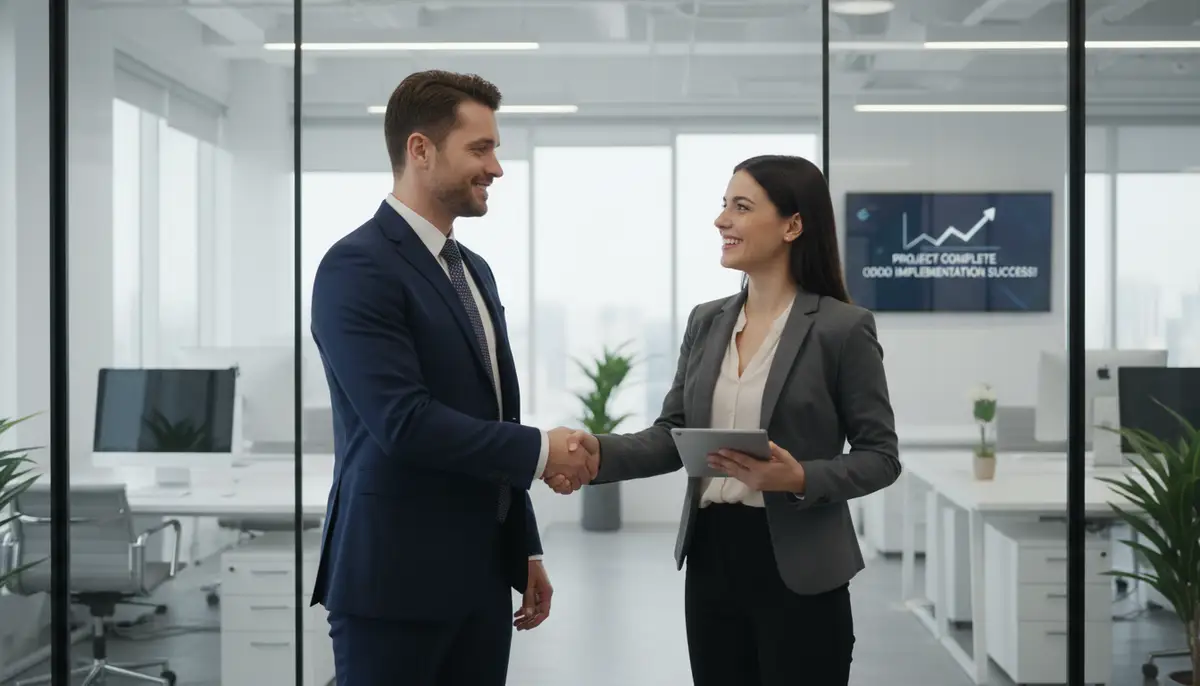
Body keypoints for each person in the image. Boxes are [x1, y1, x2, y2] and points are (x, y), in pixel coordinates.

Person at [550, 155, 901, 686]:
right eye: (723, 206)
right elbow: (674, 434)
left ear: (793, 225)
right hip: (713, 559)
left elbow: (881, 457)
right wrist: (597, 453)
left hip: (800, 568)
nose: (721, 221)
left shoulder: (842, 329)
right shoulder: (707, 320)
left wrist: (799, 477)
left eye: (741, 207)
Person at [308, 69, 595, 686]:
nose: (496, 168)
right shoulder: (356, 266)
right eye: (480, 148)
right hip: (394, 583)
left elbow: (491, 419)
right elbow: (403, 422)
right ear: (420, 149)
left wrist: (524, 545)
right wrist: (544, 451)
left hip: (481, 579)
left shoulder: (473, 270)